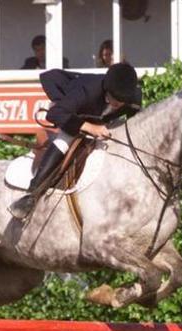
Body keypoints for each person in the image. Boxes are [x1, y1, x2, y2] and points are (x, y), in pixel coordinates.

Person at [9, 62, 143, 219]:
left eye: (119, 103)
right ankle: (32, 194)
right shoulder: (87, 91)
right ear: (107, 90)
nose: (114, 105)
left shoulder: (132, 99)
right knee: (64, 140)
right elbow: (54, 114)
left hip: (100, 117)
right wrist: (90, 128)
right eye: (112, 99)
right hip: (69, 110)